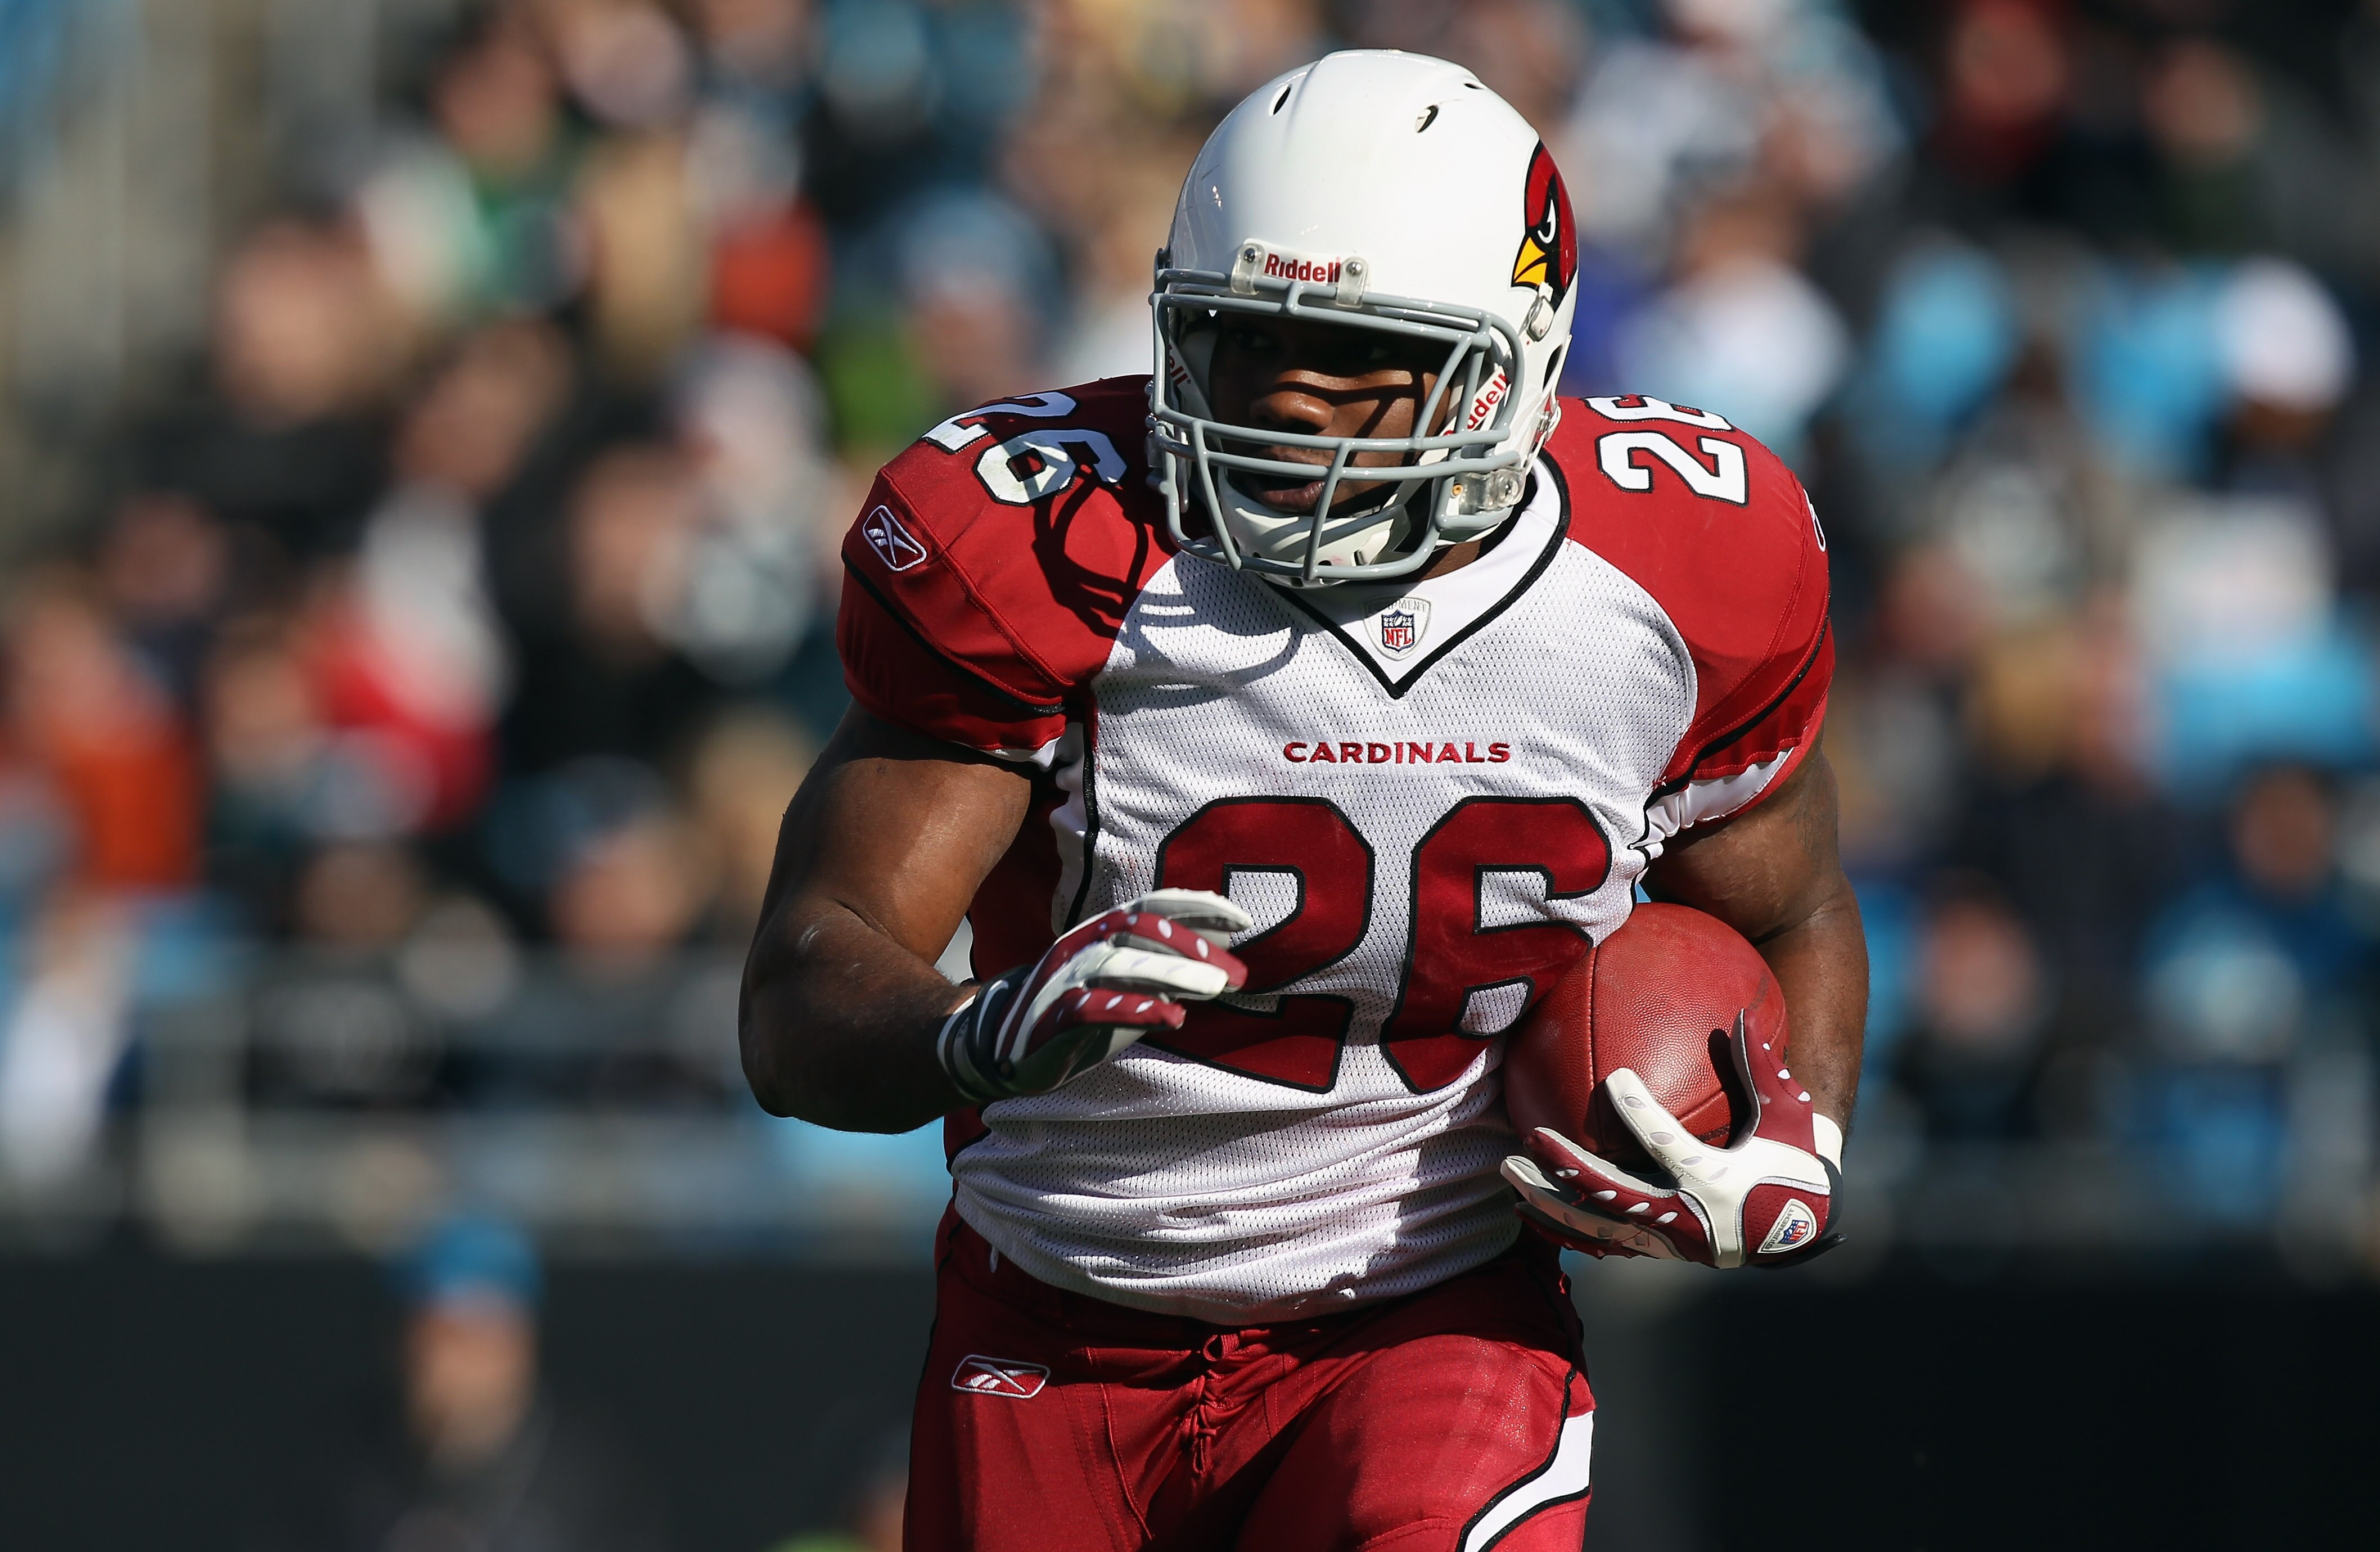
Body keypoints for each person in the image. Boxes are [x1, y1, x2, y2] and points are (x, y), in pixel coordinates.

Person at [741, 51, 1867, 1550]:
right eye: (1249, 342)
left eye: (1360, 358)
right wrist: (981, 1033)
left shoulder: (1675, 578)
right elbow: (799, 993)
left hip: (1433, 1312)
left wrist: (1799, 1145)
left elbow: (1791, 908)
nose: (1289, 401)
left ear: (1514, 364)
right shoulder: (1047, 547)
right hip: (1058, 1311)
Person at [245, 1215, 665, 1552]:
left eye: (481, 1335)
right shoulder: (341, 1466)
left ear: (523, 1345)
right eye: (441, 1335)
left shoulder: (589, 1473)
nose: (456, 1363)